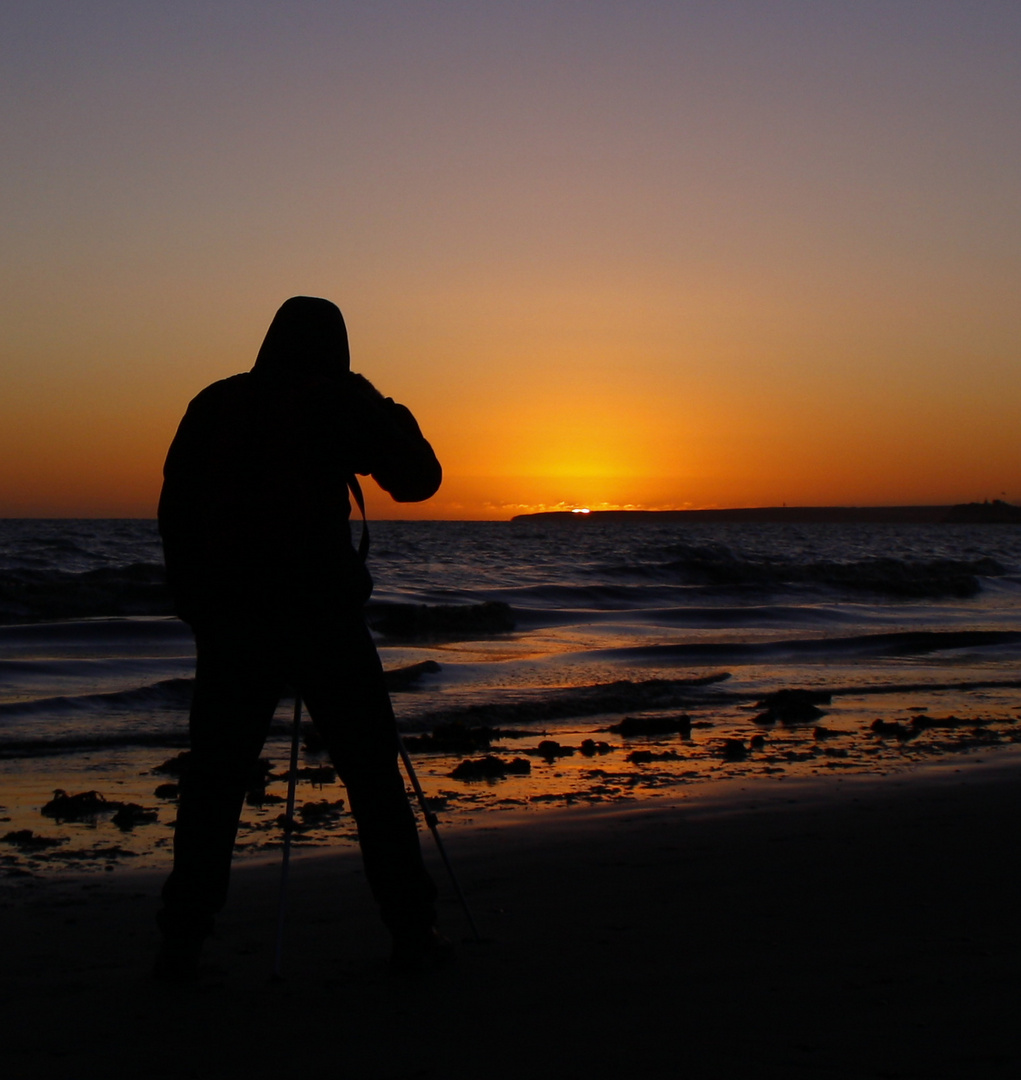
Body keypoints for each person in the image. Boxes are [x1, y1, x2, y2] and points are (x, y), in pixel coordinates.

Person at [154, 296, 445, 980]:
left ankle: (180, 943)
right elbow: (418, 480)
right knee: (372, 779)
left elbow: (175, 514)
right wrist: (385, 408)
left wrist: (196, 604)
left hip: (234, 621)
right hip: (321, 617)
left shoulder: (216, 402)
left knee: (214, 785)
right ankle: (412, 932)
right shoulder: (340, 400)